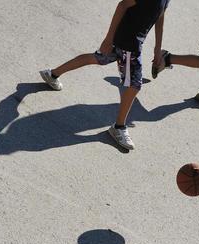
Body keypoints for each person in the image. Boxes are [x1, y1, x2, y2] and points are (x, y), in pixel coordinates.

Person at [39, 0, 170, 151]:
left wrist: (157, 48)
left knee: (98, 58)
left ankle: (53, 74)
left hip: (128, 40)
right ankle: (119, 127)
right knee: (134, 85)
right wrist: (108, 39)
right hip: (128, 43)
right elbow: (122, 5)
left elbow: (160, 15)